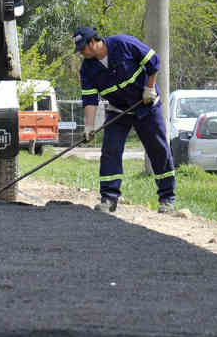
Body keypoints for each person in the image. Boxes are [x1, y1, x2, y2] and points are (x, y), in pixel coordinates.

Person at [74, 26, 176, 214]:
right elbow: (89, 99)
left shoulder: (123, 44)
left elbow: (153, 61)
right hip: (118, 111)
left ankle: (167, 199)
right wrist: (89, 126)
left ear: (93, 42)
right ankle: (109, 198)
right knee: (110, 151)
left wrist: (149, 88)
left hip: (147, 105)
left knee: (158, 149)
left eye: (82, 48)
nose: (81, 53)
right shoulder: (87, 68)